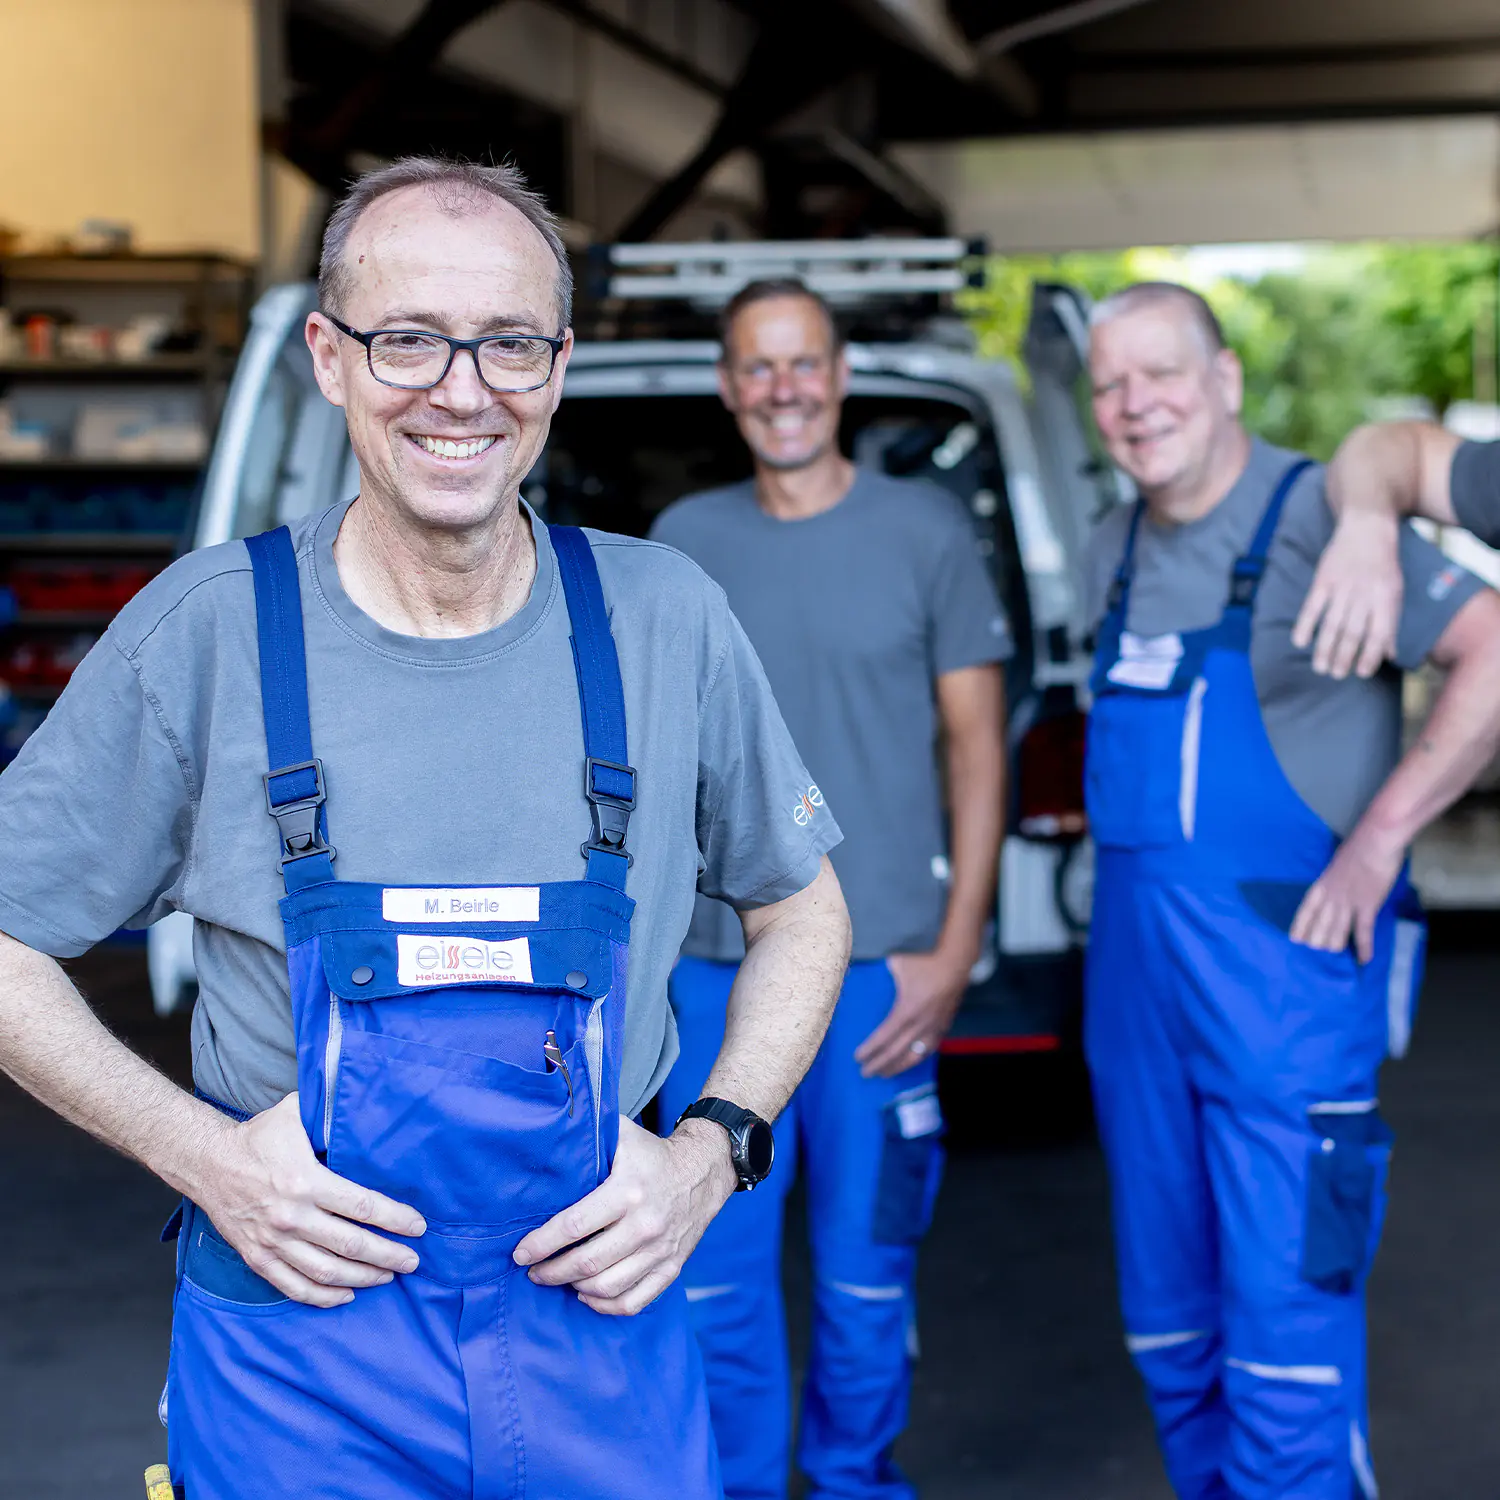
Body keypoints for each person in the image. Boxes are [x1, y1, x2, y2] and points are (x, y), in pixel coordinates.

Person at [0, 159, 854, 1499]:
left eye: (508, 342)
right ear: (332, 361)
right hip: (299, 1355)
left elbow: (800, 904)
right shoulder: (209, 630)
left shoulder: (662, 616)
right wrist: (198, 1155)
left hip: (598, 1329)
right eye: (408, 338)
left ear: (558, 367)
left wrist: (711, 1152)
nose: (462, 389)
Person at [1082, 281, 1500, 1500]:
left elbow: (1490, 647)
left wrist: (1379, 842)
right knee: (1173, 1341)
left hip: (1284, 999)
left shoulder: (1320, 508)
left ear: (1224, 382)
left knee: (1287, 1367)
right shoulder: (1116, 545)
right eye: (1111, 384)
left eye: (1160, 373)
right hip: (1139, 1009)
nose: (1134, 404)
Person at [649, 278, 1010, 1500]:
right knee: (711, 1275)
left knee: (866, 1275)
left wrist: (958, 949)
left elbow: (979, 749)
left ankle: (857, 1484)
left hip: (881, 976)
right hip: (711, 980)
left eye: (804, 364)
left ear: (841, 376)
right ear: (728, 388)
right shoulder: (686, 539)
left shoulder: (927, 533)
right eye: (758, 366)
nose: (784, 388)